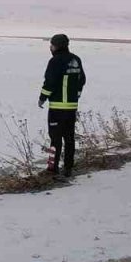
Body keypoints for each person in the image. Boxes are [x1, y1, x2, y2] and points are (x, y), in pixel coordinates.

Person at [38, 33, 86, 179]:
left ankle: (52, 168)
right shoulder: (76, 59)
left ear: (56, 46)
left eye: (51, 45)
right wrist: (76, 95)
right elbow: (82, 80)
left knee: (55, 138)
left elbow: (50, 82)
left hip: (57, 107)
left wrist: (42, 98)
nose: (50, 48)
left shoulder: (55, 61)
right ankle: (68, 168)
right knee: (69, 138)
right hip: (72, 107)